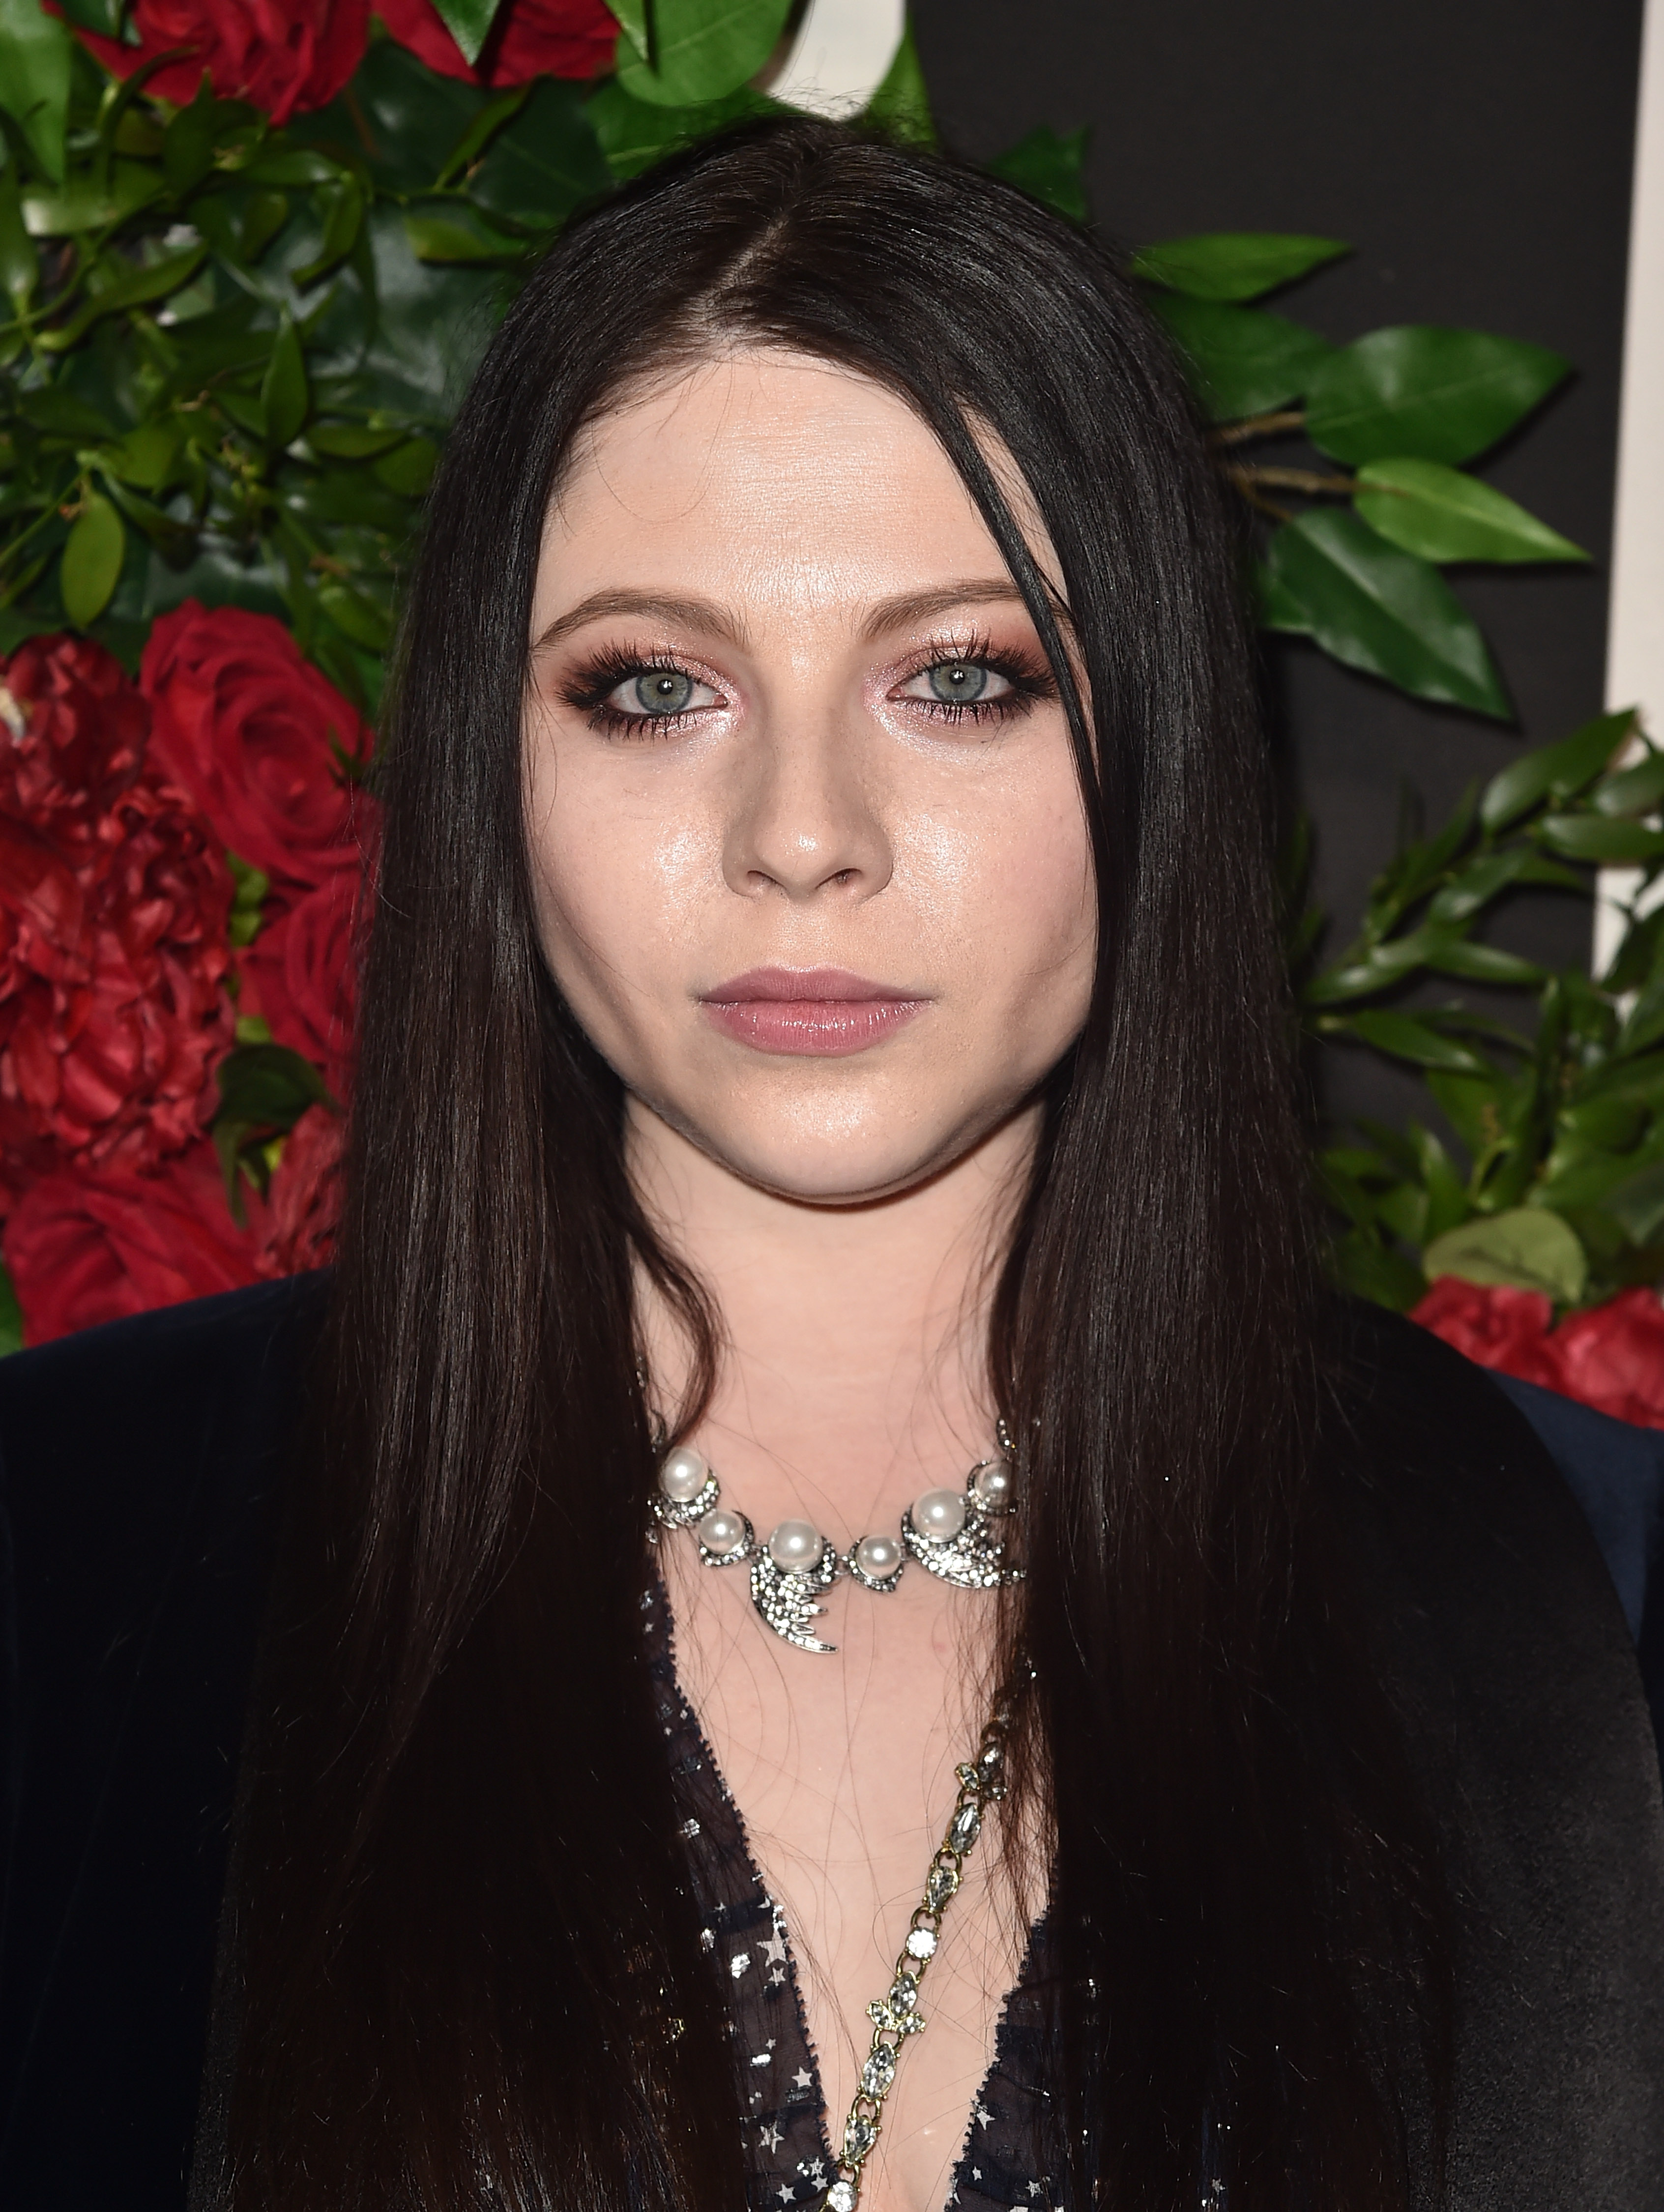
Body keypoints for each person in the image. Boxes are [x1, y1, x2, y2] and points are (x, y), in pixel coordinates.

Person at [1, 118, 1661, 2212]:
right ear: (490, 762)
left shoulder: (1585, 1616)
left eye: (960, 679)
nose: (804, 831)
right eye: (655, 689)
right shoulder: (62, 1571)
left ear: (1150, 728)